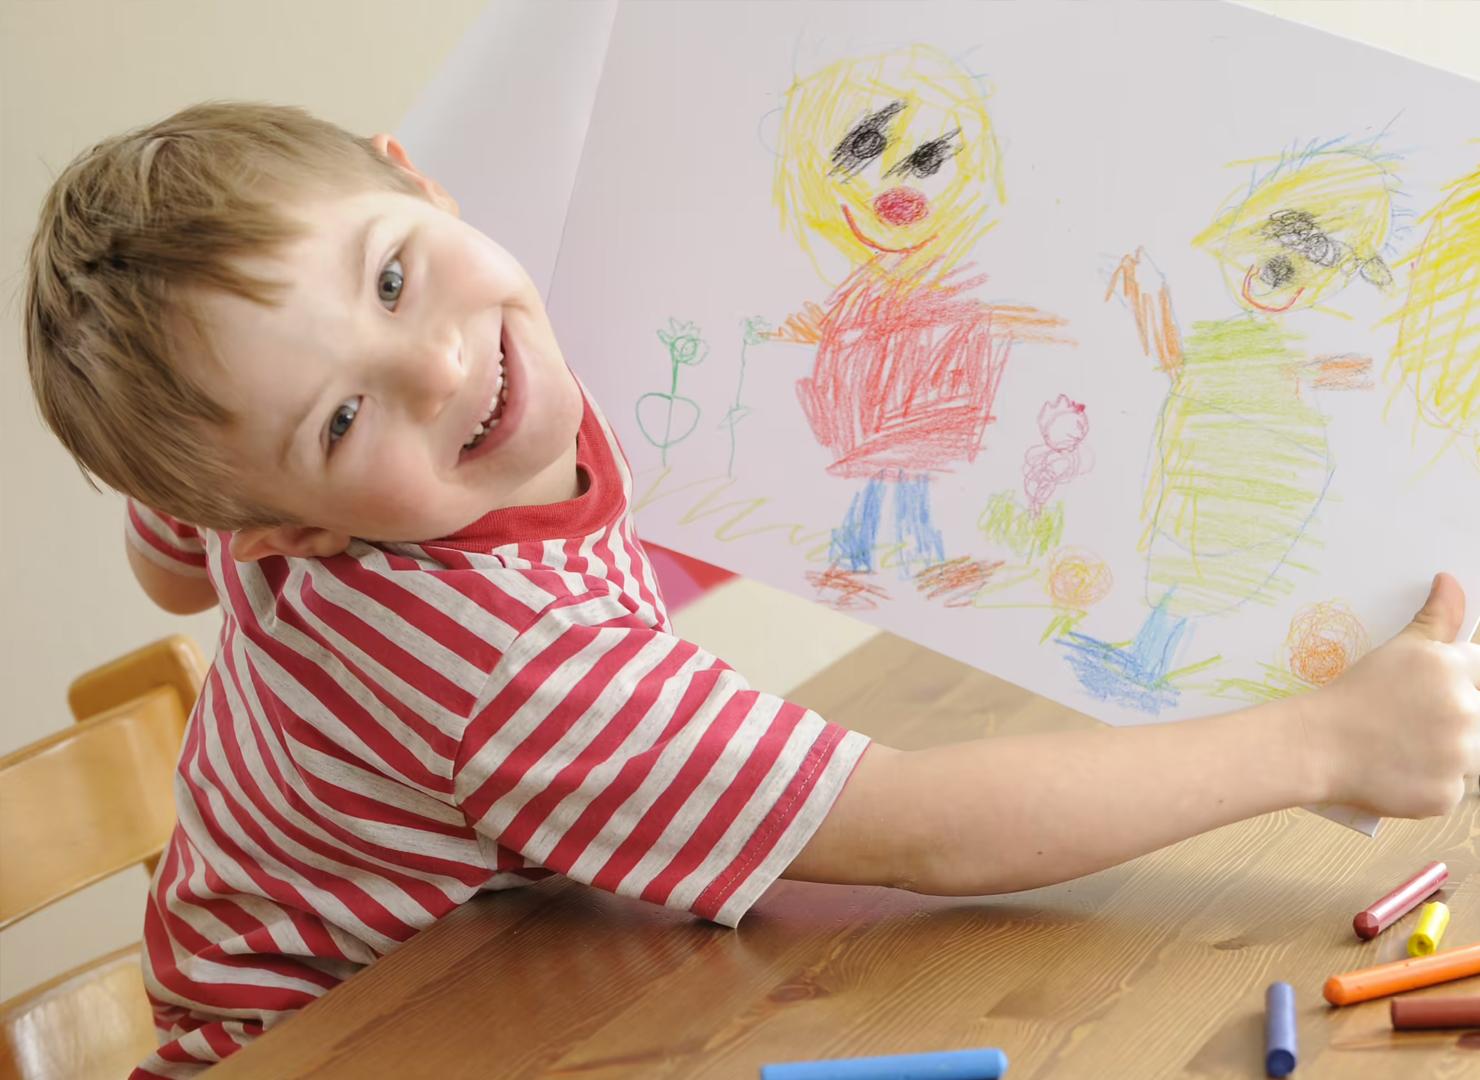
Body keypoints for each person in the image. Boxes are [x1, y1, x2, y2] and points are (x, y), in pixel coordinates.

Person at [24, 103, 1480, 1077]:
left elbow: (174, 545)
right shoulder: (513, 671)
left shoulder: (288, 494)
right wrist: (1322, 743)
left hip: (477, 958)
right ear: (292, 533)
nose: (436, 369)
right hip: (345, 1045)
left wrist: (198, 519)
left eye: (395, 278)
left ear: (422, 176)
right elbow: (919, 832)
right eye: (342, 421)